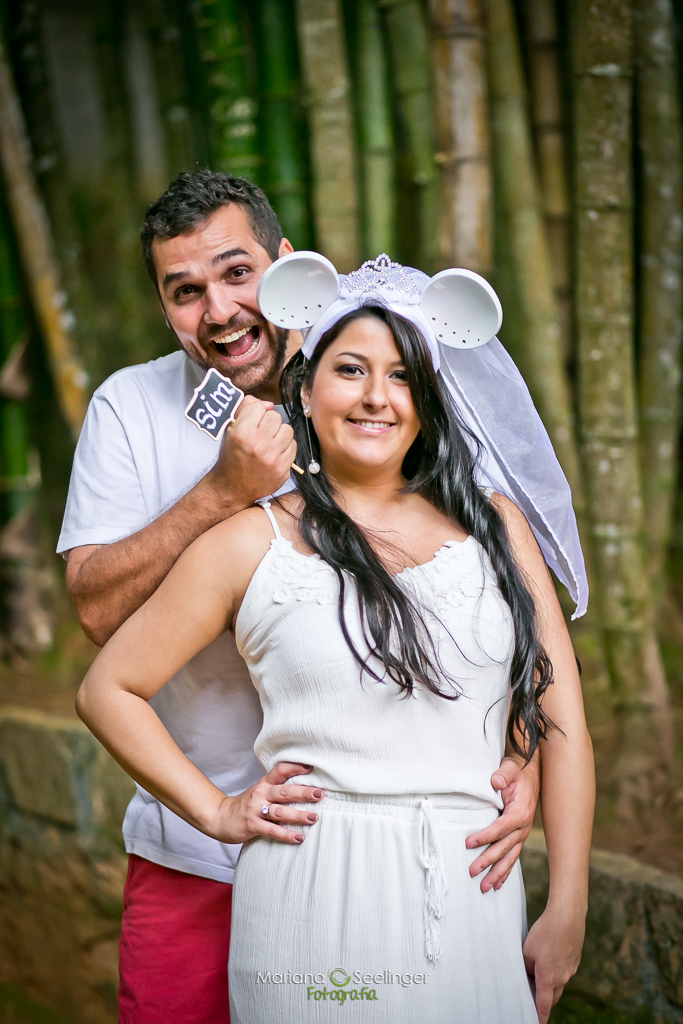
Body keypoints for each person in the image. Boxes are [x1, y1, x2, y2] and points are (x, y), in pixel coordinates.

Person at [59, 172, 540, 1023]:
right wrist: (218, 493)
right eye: (185, 291)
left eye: (236, 273)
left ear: (287, 265)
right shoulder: (129, 408)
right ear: (163, 307)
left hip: (391, 847)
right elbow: (98, 618)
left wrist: (521, 757)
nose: (218, 310)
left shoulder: (376, 392)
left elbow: (491, 595)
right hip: (194, 848)